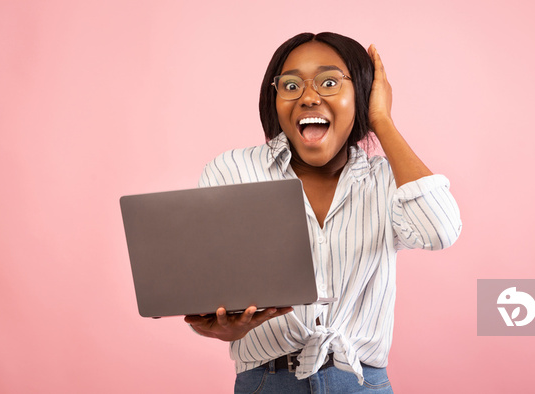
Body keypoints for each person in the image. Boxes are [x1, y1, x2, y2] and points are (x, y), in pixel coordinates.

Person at [184, 32, 462, 393]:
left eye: (329, 82)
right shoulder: (232, 171)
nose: (309, 97)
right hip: (267, 381)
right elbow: (204, 288)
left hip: (361, 382)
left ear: (360, 95)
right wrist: (220, 326)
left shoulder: (387, 179)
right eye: (291, 85)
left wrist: (382, 120)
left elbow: (440, 230)